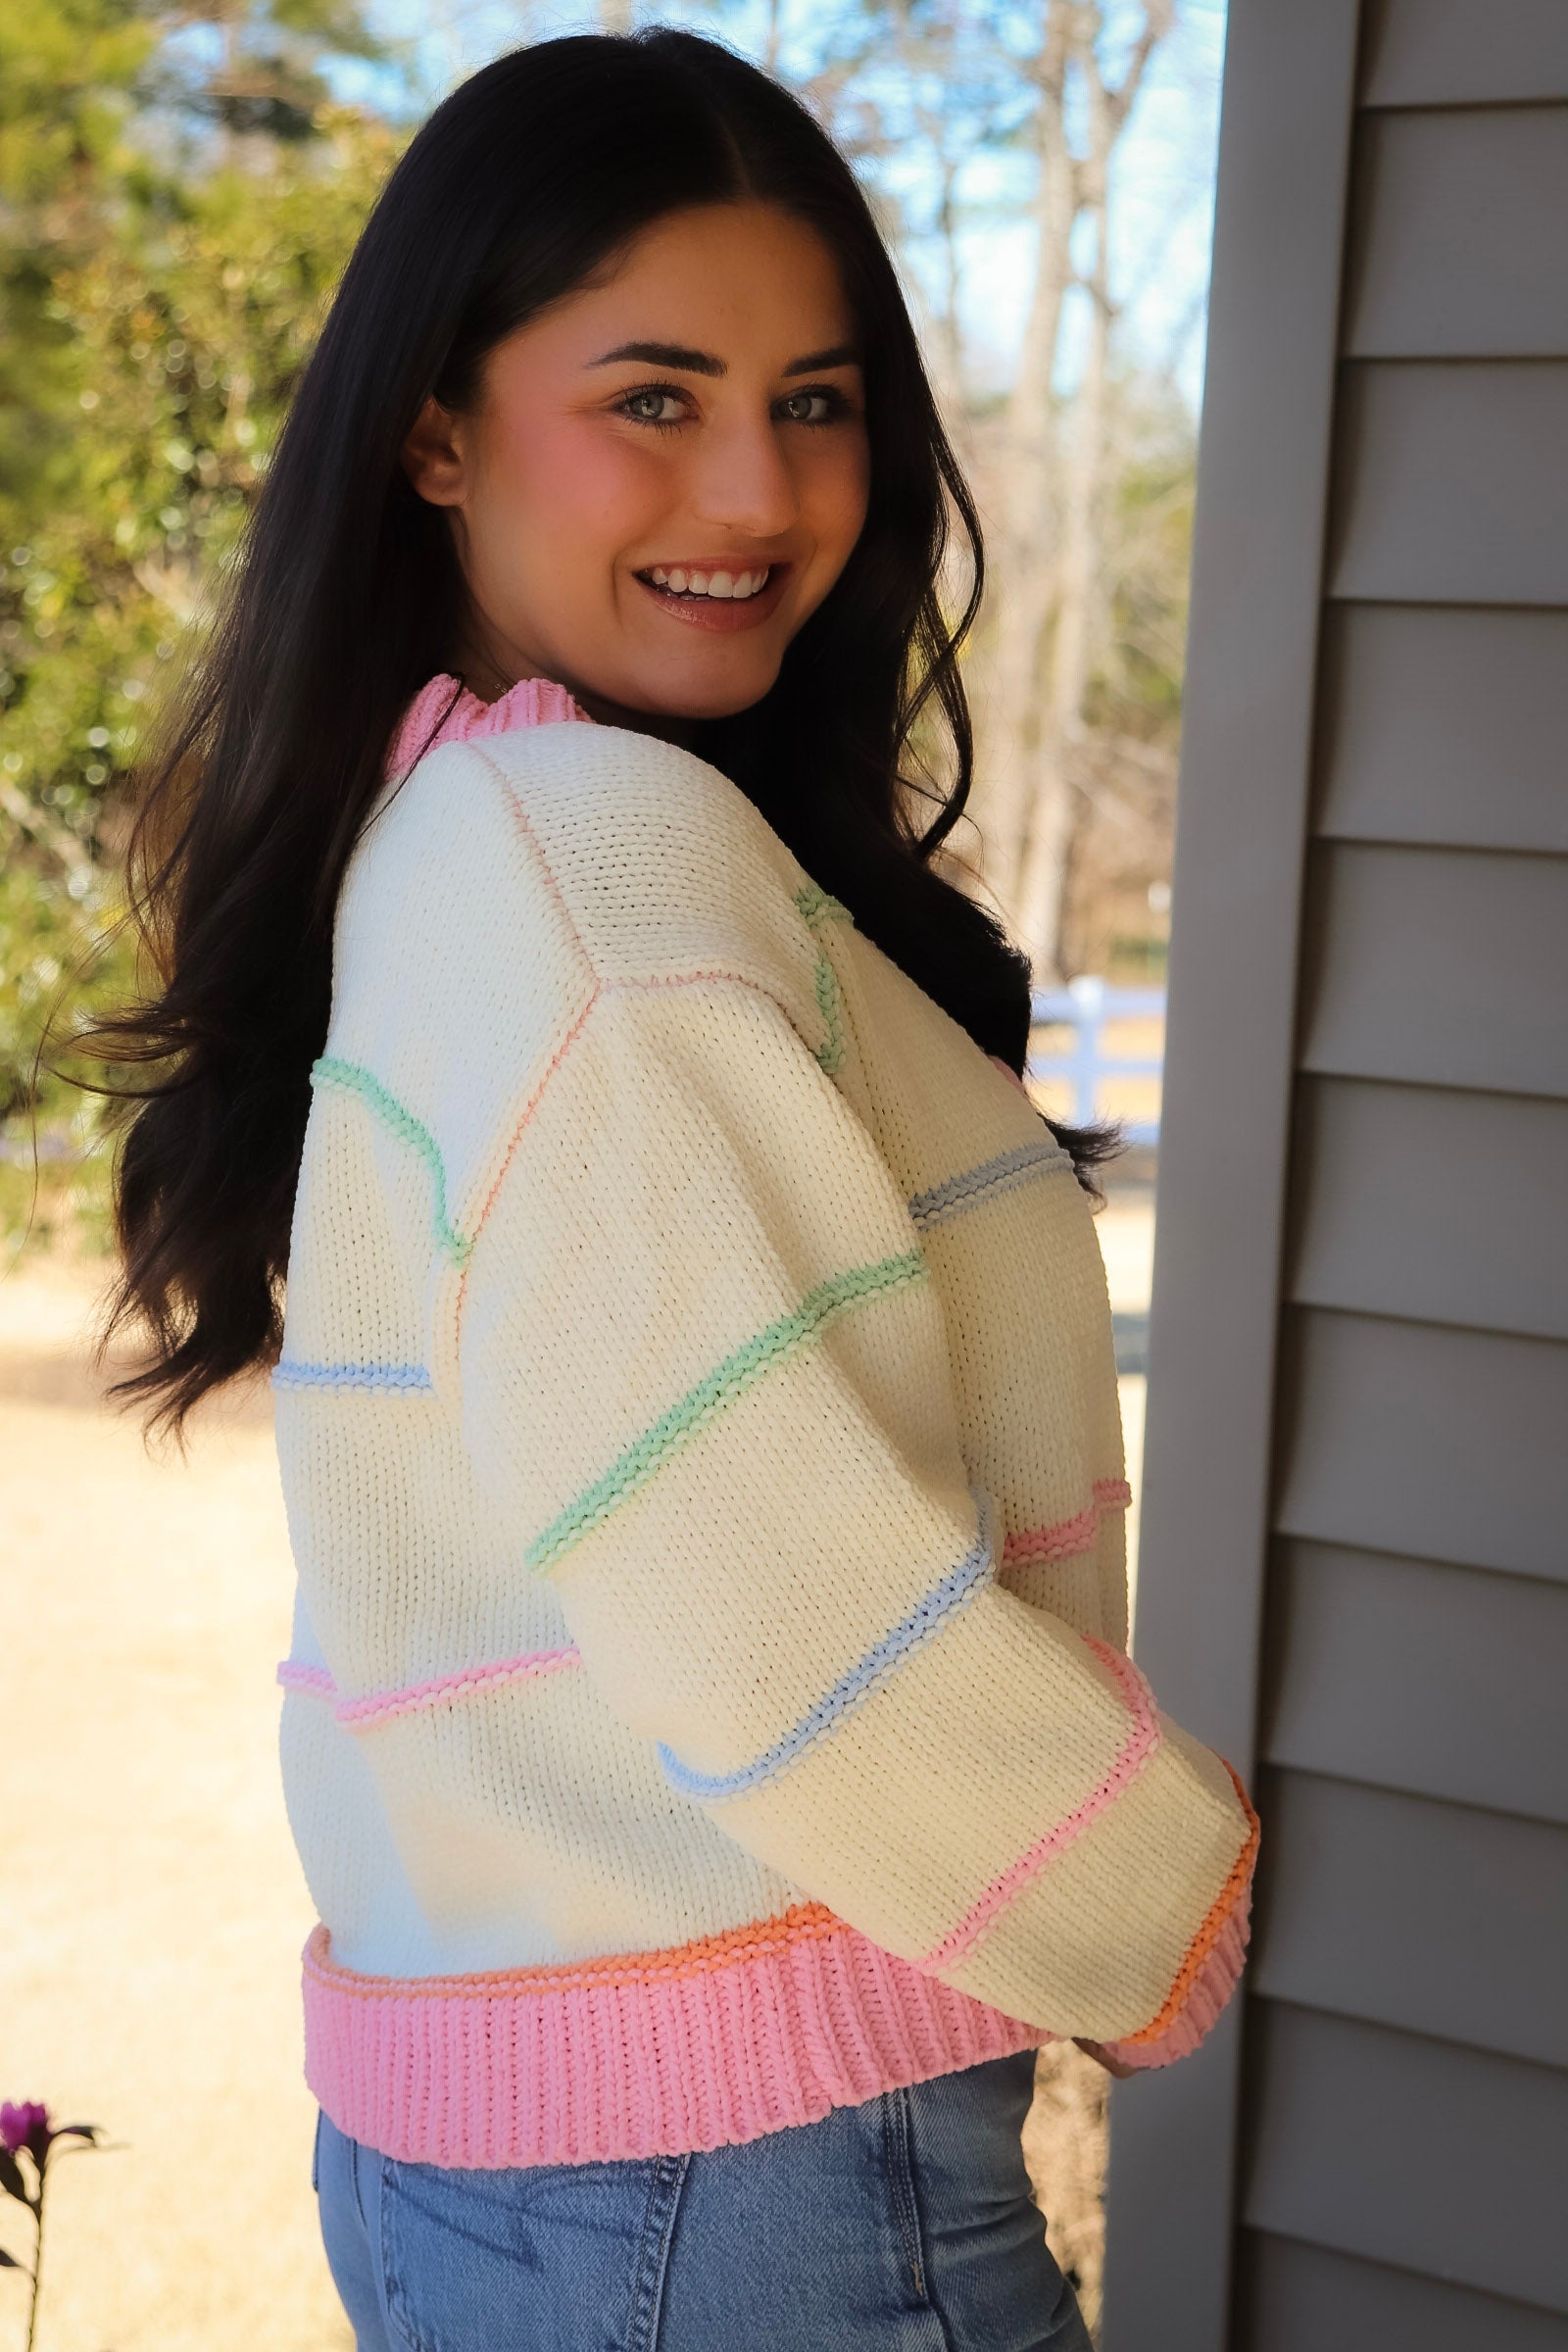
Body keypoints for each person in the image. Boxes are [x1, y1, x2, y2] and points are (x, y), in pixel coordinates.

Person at [95, 30, 1258, 2349]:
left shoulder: (462, 828)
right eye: (654, 396)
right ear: (434, 427)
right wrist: (1149, 1900)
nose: (759, 485)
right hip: (730, 2170)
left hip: (530, 2153)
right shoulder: (590, 860)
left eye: (815, 400)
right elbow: (749, 1564)